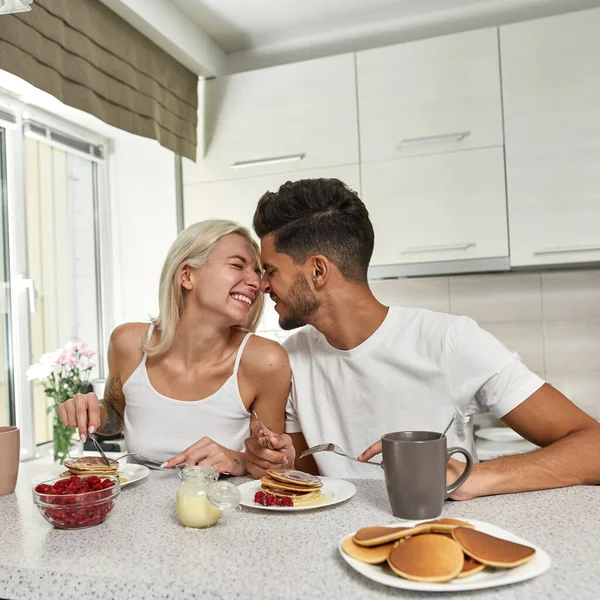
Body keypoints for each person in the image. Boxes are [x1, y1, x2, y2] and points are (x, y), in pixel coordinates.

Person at [244, 178, 600, 500]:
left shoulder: (450, 341)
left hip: (440, 543)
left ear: (318, 270)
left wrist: (475, 477)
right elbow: (313, 477)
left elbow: (593, 446)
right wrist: (283, 463)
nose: (261, 285)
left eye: (270, 271)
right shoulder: (290, 357)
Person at [58, 219, 291, 475]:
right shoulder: (128, 343)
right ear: (187, 275)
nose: (257, 283)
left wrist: (237, 460)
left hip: (223, 507)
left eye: (257, 272)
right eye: (237, 265)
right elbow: (115, 417)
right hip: (136, 507)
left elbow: (271, 467)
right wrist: (90, 412)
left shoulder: (265, 360)